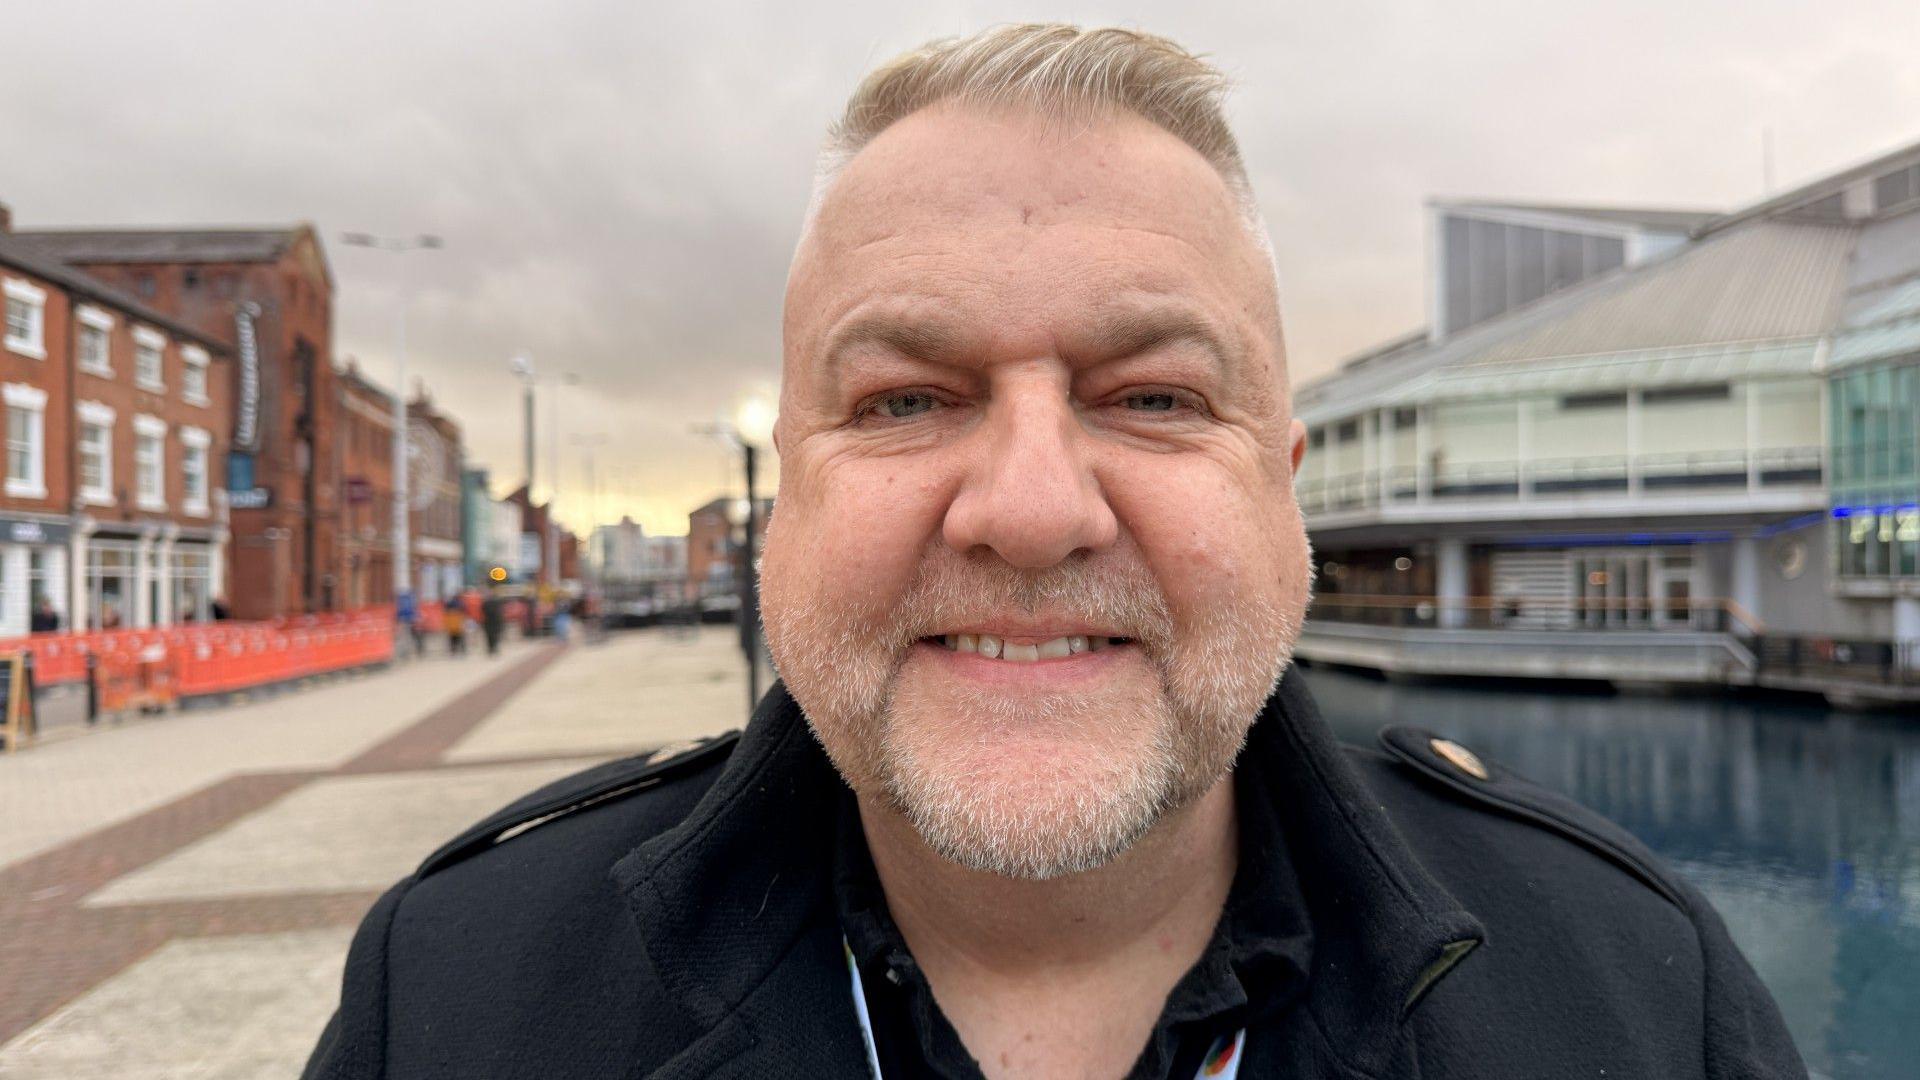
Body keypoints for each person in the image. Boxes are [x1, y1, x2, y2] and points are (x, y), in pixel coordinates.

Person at [305, 25, 1804, 1080]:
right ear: (789, 502)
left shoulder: (1645, 993)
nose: (1029, 509)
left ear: (1285, 495)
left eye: (1153, 398)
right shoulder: (449, 996)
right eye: (905, 401)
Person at [480, 589, 505, 656]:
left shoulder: (485, 603)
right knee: (495, 636)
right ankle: (494, 648)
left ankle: (491, 649)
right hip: (494, 621)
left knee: (489, 636)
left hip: (488, 621)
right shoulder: (496, 603)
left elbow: (482, 611)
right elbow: (500, 612)